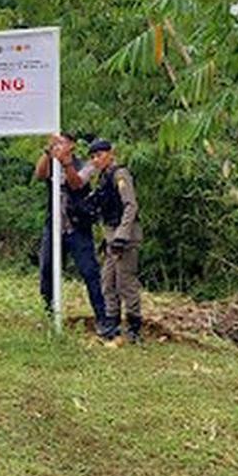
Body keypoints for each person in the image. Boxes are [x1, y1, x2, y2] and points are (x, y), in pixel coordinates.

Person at [35, 133, 108, 334]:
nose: (60, 146)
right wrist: (47, 153)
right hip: (54, 226)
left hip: (77, 228)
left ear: (72, 146)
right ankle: (50, 314)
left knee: (89, 272)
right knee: (47, 270)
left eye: (63, 143)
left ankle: (103, 319)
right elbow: (40, 175)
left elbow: (76, 184)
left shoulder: (86, 165)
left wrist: (66, 163)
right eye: (57, 143)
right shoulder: (52, 163)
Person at [88, 139, 144, 342]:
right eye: (93, 157)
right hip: (111, 237)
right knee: (108, 281)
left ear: (110, 154)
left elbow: (130, 206)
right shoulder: (103, 178)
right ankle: (112, 323)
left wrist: (121, 236)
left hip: (125, 237)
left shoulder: (120, 175)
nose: (96, 160)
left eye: (99, 155)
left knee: (125, 282)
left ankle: (134, 326)